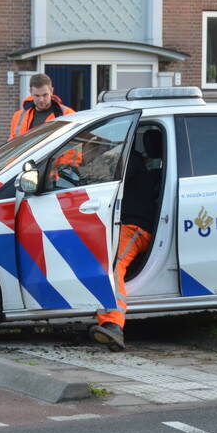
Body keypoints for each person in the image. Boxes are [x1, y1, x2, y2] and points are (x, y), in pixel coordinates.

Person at [89, 129, 163, 352]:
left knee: (113, 265)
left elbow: (102, 180)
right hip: (122, 226)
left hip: (134, 228)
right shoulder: (136, 163)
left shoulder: (131, 163)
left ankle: (113, 324)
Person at [8, 73, 75, 140]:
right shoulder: (18, 116)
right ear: (30, 92)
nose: (41, 100)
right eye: (37, 96)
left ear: (51, 91)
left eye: (45, 95)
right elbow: (12, 144)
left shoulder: (68, 114)